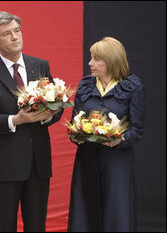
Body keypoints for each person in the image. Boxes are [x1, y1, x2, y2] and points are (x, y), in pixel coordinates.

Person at [0, 11, 63, 232]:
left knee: (36, 226)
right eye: (7, 34)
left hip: (37, 164)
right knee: (2, 226)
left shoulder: (40, 65)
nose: (15, 37)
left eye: (17, 31)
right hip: (3, 166)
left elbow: (57, 105)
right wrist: (15, 120)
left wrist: (48, 116)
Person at [67, 37, 145, 232]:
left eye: (96, 59)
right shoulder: (85, 85)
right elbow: (75, 120)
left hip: (117, 161)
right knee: (85, 209)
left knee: (116, 212)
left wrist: (119, 140)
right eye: (90, 58)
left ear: (111, 62)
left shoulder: (133, 87)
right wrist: (75, 135)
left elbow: (137, 129)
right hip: (87, 159)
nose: (90, 63)